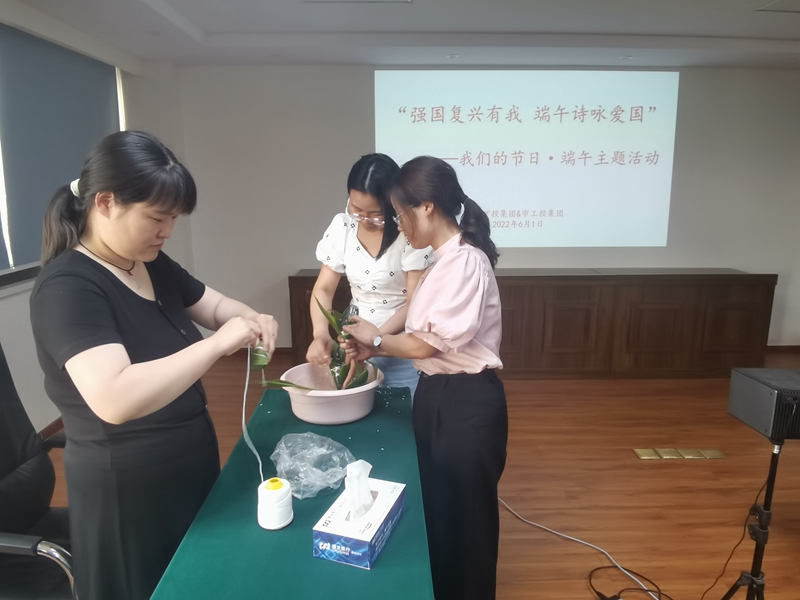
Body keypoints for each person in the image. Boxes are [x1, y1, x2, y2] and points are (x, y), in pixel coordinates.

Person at [29, 130, 278, 600]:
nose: (167, 231)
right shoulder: (68, 287)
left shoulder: (148, 262)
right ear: (106, 203)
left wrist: (248, 317)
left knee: (195, 580)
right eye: (157, 218)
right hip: (127, 492)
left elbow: (213, 305)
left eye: (174, 219)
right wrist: (217, 345)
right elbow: (115, 398)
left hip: (188, 464)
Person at [342, 156, 507, 600]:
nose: (399, 225)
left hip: (465, 401)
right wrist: (373, 345)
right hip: (439, 394)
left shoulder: (466, 262)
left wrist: (377, 339)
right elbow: (420, 343)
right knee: (442, 510)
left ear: (427, 207)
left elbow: (426, 345)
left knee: (467, 523)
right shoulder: (442, 262)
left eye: (400, 214)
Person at [307, 153, 433, 395]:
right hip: (355, 347)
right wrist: (320, 334)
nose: (365, 220)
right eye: (356, 210)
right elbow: (323, 288)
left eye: (376, 214)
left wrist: (374, 340)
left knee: (400, 410)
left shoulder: (410, 234)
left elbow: (414, 303)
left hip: (399, 348)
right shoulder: (342, 226)